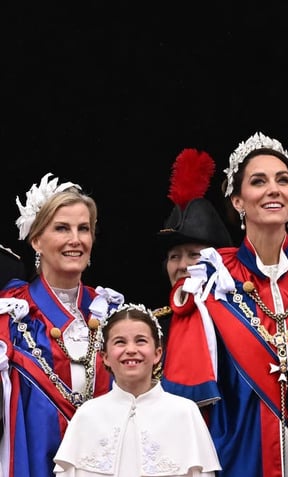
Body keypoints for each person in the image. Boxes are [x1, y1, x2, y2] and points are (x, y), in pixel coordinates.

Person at [161, 132, 288, 477]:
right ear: (238, 201)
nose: (274, 189)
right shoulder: (211, 281)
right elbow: (187, 402)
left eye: (283, 180)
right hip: (239, 458)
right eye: (259, 181)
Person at [0, 173, 125, 477]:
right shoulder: (13, 318)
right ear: (36, 240)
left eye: (84, 229)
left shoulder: (112, 312)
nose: (76, 239)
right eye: (62, 228)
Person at [53, 303, 221, 476]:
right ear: (106, 357)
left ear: (157, 353)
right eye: (120, 342)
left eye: (141, 341)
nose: (131, 350)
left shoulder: (185, 412)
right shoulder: (86, 415)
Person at [155, 148, 232, 352]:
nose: (182, 266)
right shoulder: (152, 331)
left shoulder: (239, 321)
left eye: (194, 255)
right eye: (174, 256)